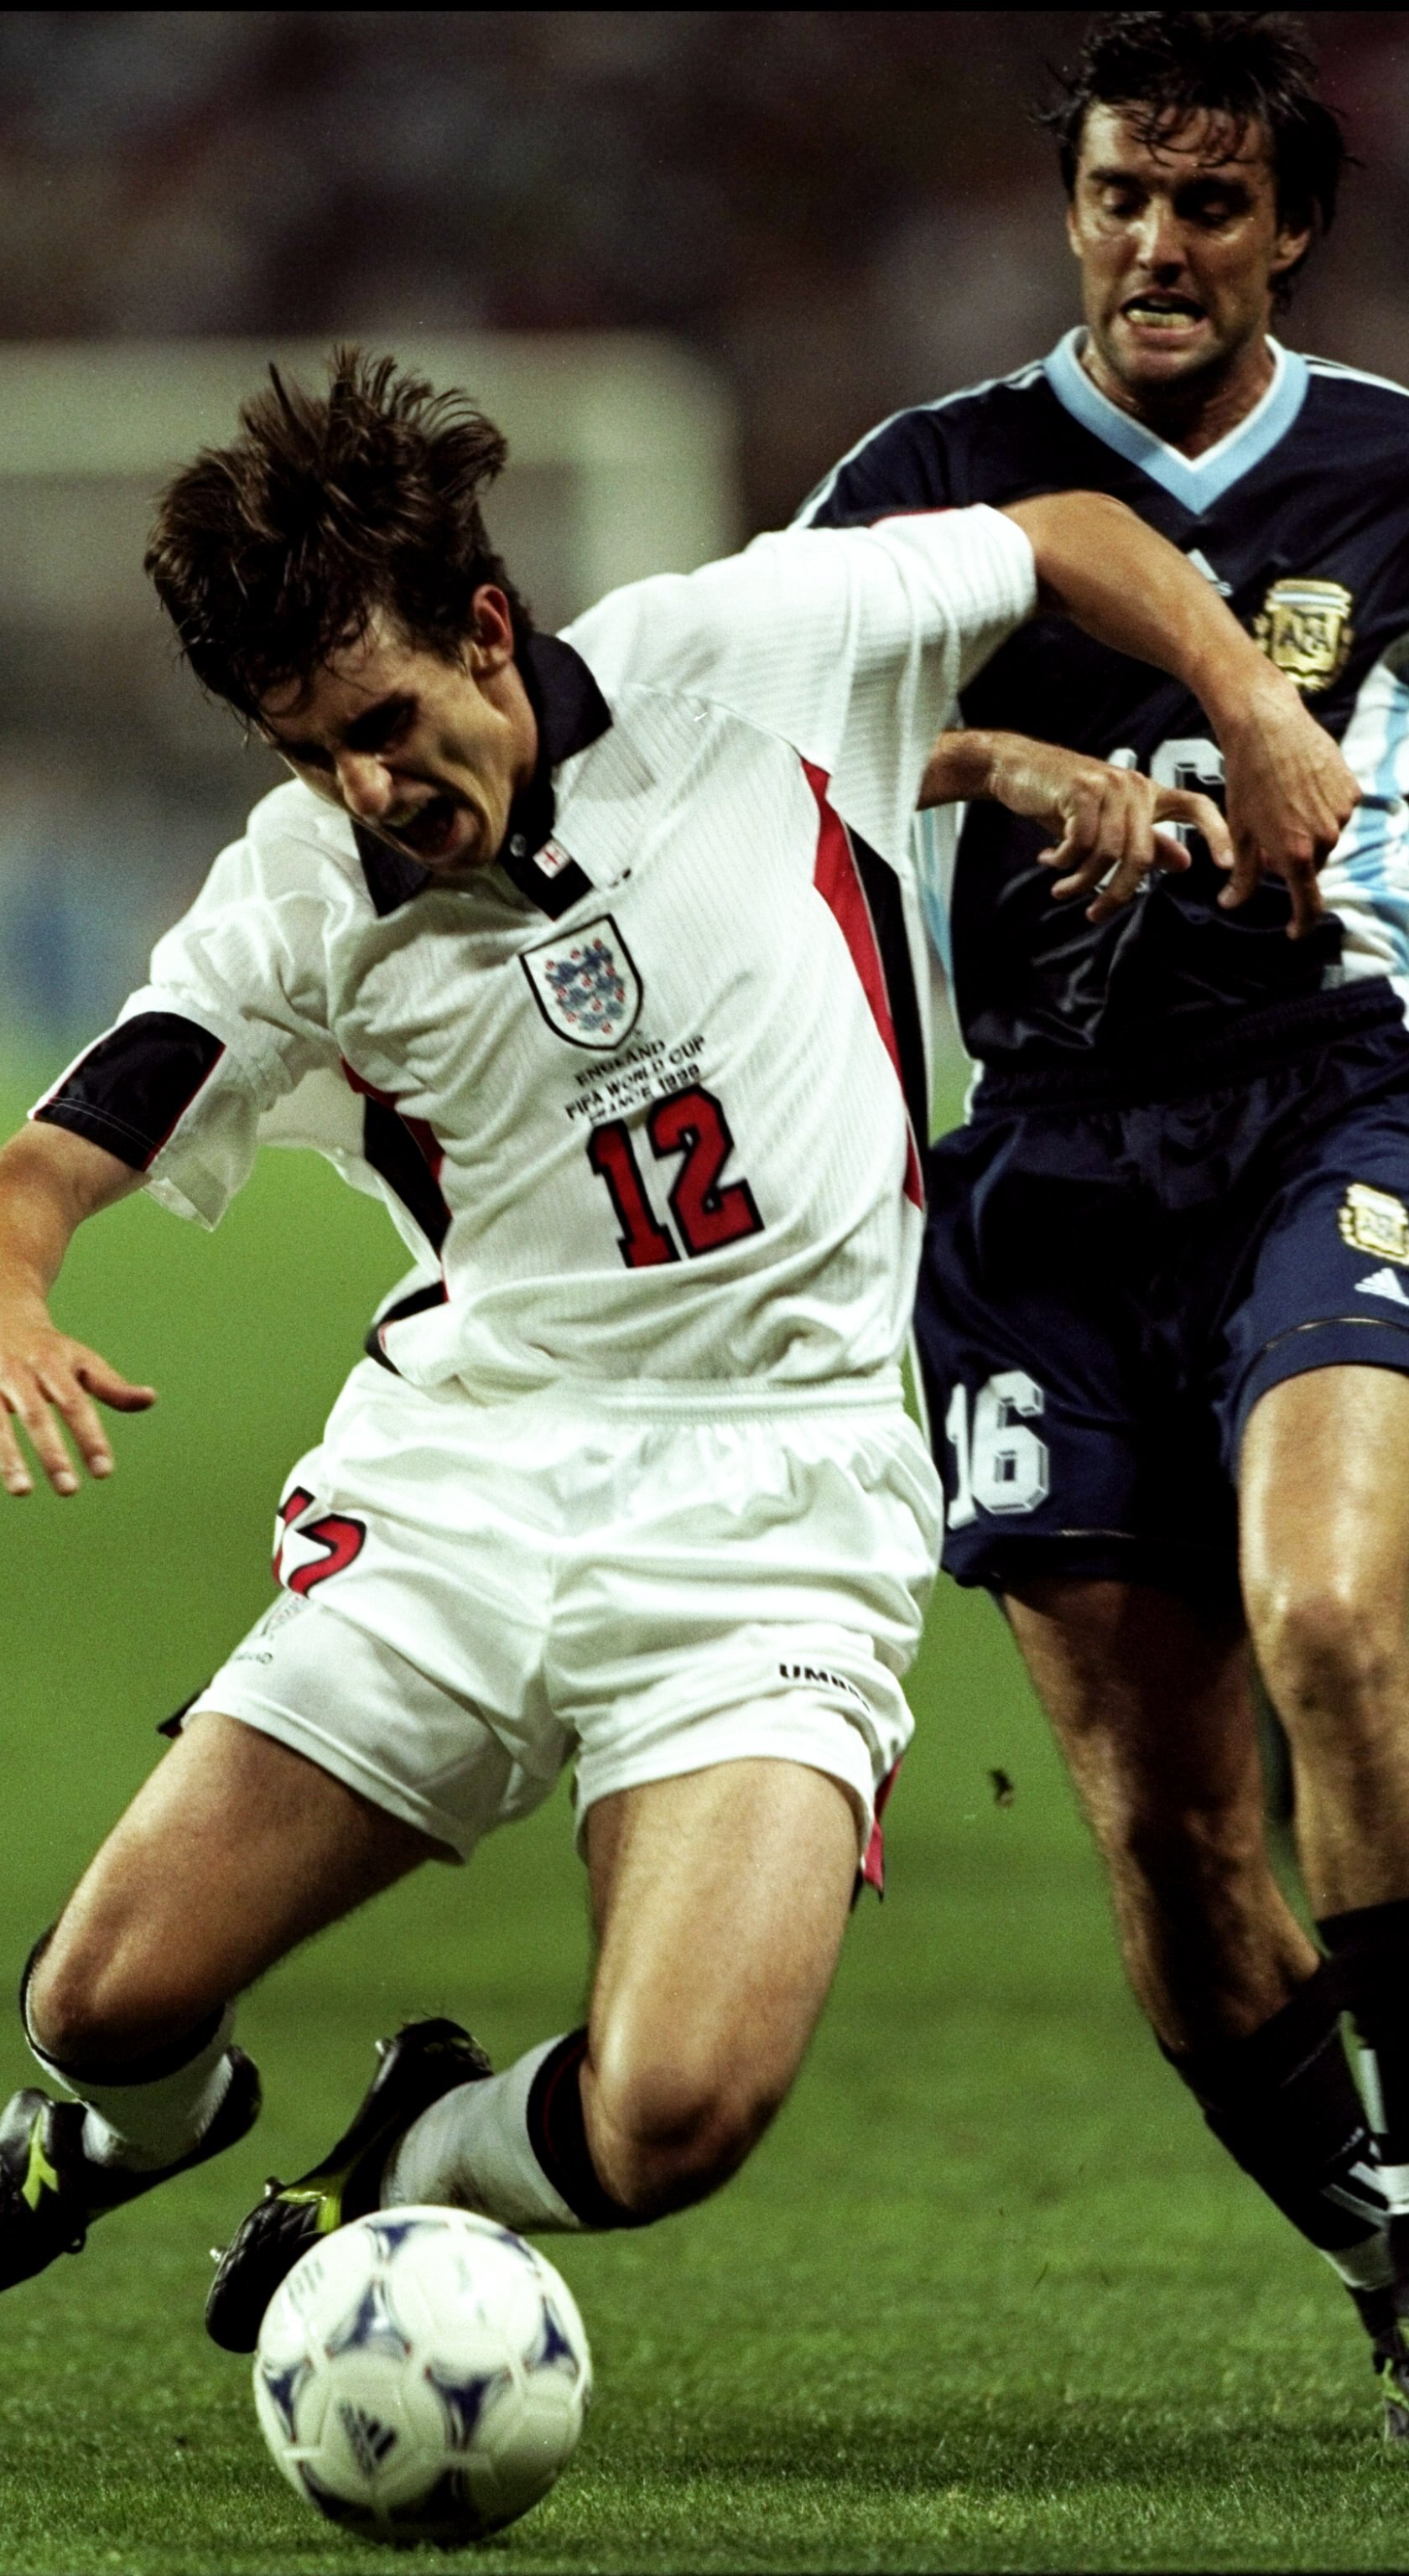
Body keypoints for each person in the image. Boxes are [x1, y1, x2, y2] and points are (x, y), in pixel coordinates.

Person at [0, 348, 1347, 2359]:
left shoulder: (742, 645)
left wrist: (1249, 708)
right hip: (477, 1479)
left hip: (779, 1502)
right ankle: (122, 2131)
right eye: (310, 754)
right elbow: (49, 1159)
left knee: (676, 2116)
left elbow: (1073, 535)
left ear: (490, 633)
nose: (366, 790)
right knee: (100, 2000)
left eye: (384, 725)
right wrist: (5, 1302)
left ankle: (409, 2157)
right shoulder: (302, 897)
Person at [803, 8, 1409, 2430]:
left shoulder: (1392, 473)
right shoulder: (930, 482)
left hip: (1331, 1113)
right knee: (1170, 1839)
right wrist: (1004, 759)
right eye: (1118, 198)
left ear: (1292, 229)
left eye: (1209, 204)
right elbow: (732, 742)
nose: (1156, 245)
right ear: (1071, 211)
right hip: (1046, 1180)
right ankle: (1386, 2249)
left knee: (1335, 1620)